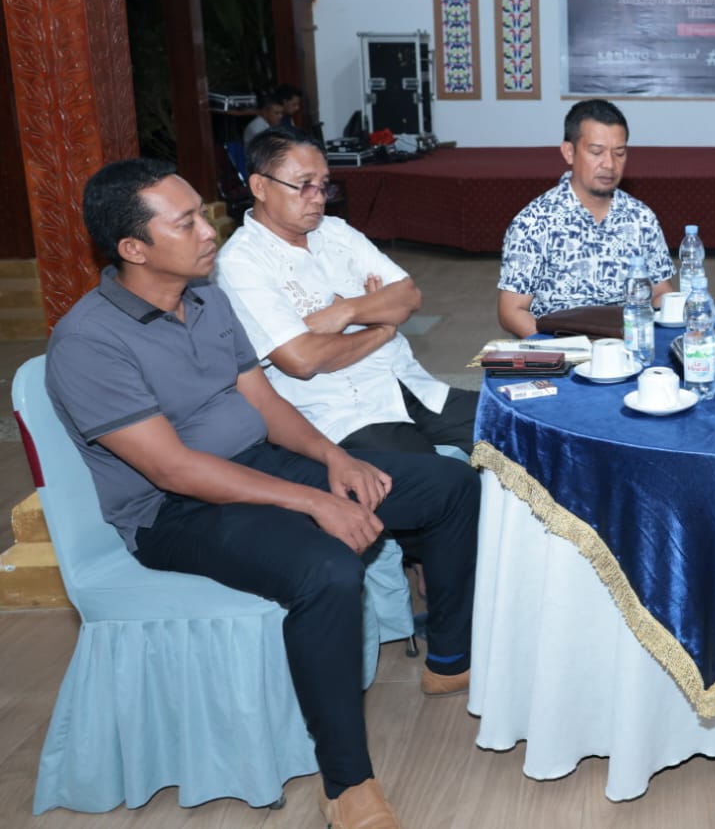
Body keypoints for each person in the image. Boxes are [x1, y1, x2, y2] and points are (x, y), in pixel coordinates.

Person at [46, 158, 479, 829]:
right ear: (133, 248)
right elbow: (173, 471)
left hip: (260, 463)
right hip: (175, 513)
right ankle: (347, 783)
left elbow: (264, 402)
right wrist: (314, 501)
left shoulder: (207, 300)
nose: (208, 231)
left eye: (202, 213)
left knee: (448, 485)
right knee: (328, 569)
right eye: (186, 223)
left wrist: (334, 460)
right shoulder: (88, 341)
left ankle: (449, 659)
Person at [214, 125, 477, 455]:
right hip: (345, 412)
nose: (318, 197)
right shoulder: (240, 263)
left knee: (518, 426)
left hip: (410, 385)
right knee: (440, 478)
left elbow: (409, 295)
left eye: (323, 185)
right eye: (304, 185)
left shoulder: (336, 232)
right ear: (260, 186)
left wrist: (346, 311)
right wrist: (381, 326)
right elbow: (302, 360)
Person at [497, 99, 673, 337]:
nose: (610, 164)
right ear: (569, 152)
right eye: (596, 152)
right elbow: (511, 311)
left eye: (619, 153)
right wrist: (564, 351)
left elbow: (661, 292)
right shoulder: (534, 222)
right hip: (560, 346)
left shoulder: (641, 218)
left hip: (628, 344)